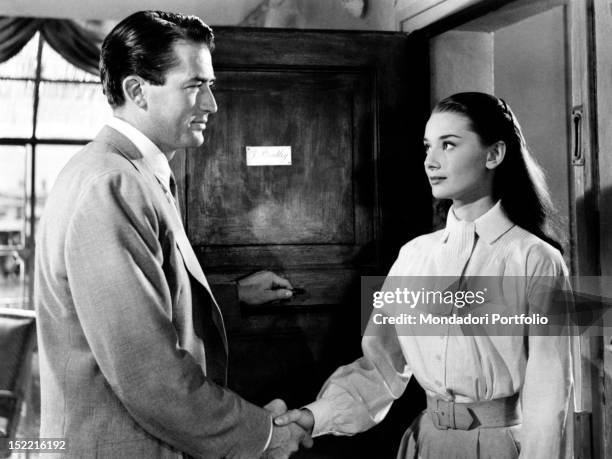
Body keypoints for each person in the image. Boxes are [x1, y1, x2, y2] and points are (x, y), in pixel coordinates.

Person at [35, 10, 311, 459]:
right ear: (136, 91)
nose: (211, 104)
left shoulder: (128, 171)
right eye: (194, 86)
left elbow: (135, 301)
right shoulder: (113, 184)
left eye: (210, 86)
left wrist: (226, 294)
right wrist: (262, 435)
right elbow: (149, 374)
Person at [275, 92, 574, 458]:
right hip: (425, 444)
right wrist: (311, 418)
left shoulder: (535, 259)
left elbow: (550, 389)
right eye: (427, 146)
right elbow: (380, 367)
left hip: (500, 447)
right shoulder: (414, 256)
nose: (431, 161)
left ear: (494, 154)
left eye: (448, 145)